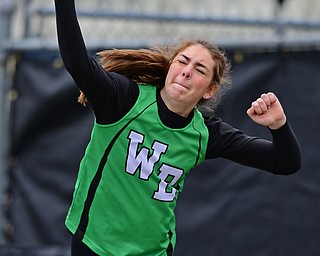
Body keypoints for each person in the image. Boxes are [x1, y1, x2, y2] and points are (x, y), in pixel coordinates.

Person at [54, 0, 301, 255]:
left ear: (209, 90)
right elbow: (76, 62)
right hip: (94, 244)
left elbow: (285, 163)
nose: (186, 72)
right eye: (182, 62)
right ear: (171, 66)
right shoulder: (125, 100)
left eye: (199, 69)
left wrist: (278, 125)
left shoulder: (205, 134)